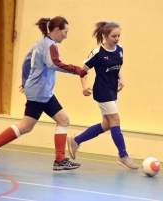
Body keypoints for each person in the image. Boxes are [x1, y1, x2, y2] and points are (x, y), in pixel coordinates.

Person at [0, 16, 88, 171]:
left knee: (63, 120)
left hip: (43, 91)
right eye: (65, 32)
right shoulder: (50, 45)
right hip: (39, 92)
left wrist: (26, 81)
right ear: (57, 29)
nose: (66, 35)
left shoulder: (41, 42)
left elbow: (26, 62)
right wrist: (77, 70)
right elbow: (54, 63)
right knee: (25, 126)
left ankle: (60, 160)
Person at [67, 21, 138, 170]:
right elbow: (83, 70)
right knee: (115, 119)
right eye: (113, 36)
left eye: (119, 36)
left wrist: (121, 78)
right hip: (101, 91)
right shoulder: (98, 53)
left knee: (106, 125)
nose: (117, 39)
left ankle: (76, 140)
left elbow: (116, 67)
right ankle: (123, 156)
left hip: (112, 90)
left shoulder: (120, 50)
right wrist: (84, 85)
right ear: (105, 36)